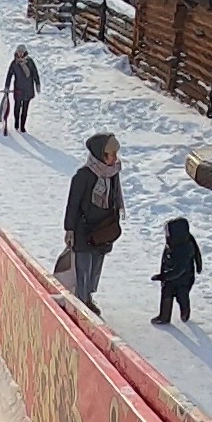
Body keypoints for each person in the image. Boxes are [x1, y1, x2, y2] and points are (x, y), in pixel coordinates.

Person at [64, 133, 123, 314]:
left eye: (115, 153)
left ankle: (87, 297)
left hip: (103, 231)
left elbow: (114, 199)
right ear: (99, 154)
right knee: (83, 270)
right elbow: (73, 204)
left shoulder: (113, 174)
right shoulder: (83, 176)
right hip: (83, 230)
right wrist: (70, 229)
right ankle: (82, 307)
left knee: (94, 270)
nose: (114, 158)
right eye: (110, 154)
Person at [151, 217, 203, 325]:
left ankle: (185, 312)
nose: (166, 235)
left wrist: (162, 276)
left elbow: (179, 270)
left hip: (184, 279)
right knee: (166, 294)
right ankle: (164, 316)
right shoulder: (172, 242)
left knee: (182, 297)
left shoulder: (186, 248)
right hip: (169, 275)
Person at [5, 45, 40, 134]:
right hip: (18, 89)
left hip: (28, 89)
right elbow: (9, 75)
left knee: (25, 109)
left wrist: (37, 84)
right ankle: (16, 122)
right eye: (19, 52)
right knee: (17, 107)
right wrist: (7, 86)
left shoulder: (30, 62)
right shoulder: (14, 63)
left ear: (24, 52)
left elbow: (35, 73)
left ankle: (22, 126)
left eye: (22, 52)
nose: (20, 53)